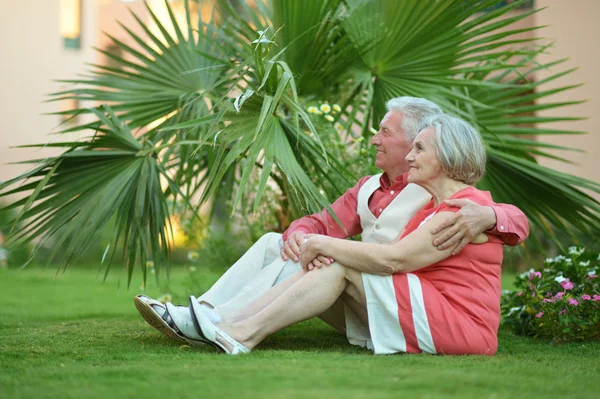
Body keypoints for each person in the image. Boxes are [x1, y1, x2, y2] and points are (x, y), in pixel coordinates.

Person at [134, 97, 529, 349]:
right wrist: (304, 236)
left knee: (337, 260)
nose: (376, 140)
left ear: (442, 154)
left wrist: (495, 215)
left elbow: (396, 259)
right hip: (394, 299)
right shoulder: (382, 190)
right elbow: (323, 222)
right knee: (282, 243)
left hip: (427, 308)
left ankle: (234, 328)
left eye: (389, 134)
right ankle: (213, 316)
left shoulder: (457, 204)